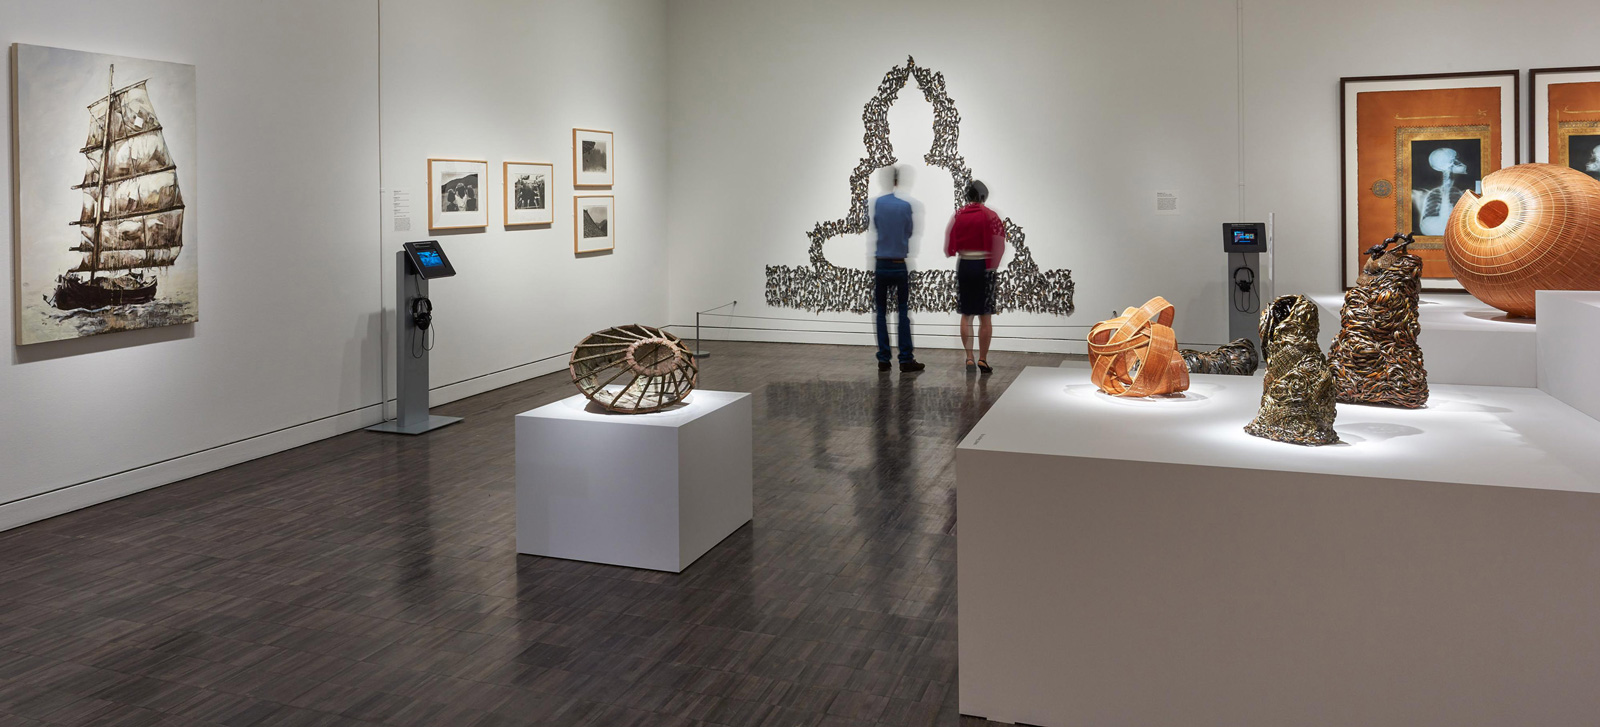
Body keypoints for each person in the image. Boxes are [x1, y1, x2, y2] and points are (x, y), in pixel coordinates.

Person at [945, 179, 1004, 373]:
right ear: (984, 196)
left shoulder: (959, 215)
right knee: (985, 316)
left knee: (966, 315)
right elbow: (999, 242)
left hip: (964, 264)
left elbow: (950, 245)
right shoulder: (990, 215)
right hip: (983, 266)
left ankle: (969, 357)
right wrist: (993, 265)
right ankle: (983, 359)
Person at [872, 166, 925, 372]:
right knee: (902, 311)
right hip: (898, 263)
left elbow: (876, 226)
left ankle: (884, 358)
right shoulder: (906, 206)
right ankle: (905, 359)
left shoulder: (878, 204)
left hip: (881, 262)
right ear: (897, 181)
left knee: (881, 312)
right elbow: (909, 231)